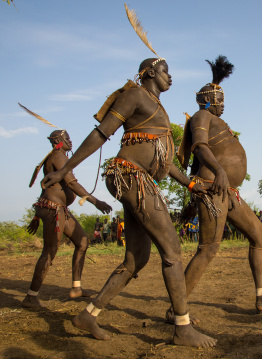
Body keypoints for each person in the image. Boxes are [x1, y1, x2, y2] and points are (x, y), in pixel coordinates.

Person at [41, 57, 216, 347]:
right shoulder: (134, 94)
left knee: (137, 257)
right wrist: (63, 169)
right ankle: (183, 327)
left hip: (140, 180)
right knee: (171, 248)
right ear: (149, 73)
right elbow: (101, 133)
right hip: (130, 176)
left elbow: (164, 159)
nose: (170, 77)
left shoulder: (156, 105)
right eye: (165, 72)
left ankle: (89, 315)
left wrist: (192, 184)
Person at [175, 55, 262, 320]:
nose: (223, 105)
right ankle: (176, 307)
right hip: (215, 190)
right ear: (207, 101)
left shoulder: (215, 120)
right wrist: (220, 171)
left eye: (223, 101)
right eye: (219, 101)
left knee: (259, 235)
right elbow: (199, 147)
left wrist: (193, 199)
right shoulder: (201, 116)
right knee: (208, 249)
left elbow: (195, 164)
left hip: (227, 193)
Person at [23, 130, 112, 309]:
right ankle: (31, 297)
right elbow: (71, 183)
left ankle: (76, 288)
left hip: (58, 210)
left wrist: (36, 214)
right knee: (49, 251)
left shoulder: (59, 157)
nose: (70, 142)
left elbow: (47, 185)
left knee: (82, 241)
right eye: (67, 139)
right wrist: (96, 201)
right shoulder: (58, 157)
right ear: (58, 141)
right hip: (53, 210)